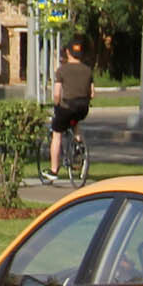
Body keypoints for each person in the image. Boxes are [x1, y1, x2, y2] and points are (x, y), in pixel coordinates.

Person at [45, 39, 94, 181]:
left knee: (57, 134)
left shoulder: (62, 70)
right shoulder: (87, 70)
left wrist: (56, 104)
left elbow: (56, 93)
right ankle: (79, 149)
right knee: (76, 122)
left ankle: (54, 171)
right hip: (83, 107)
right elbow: (92, 93)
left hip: (67, 107)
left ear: (67, 52)